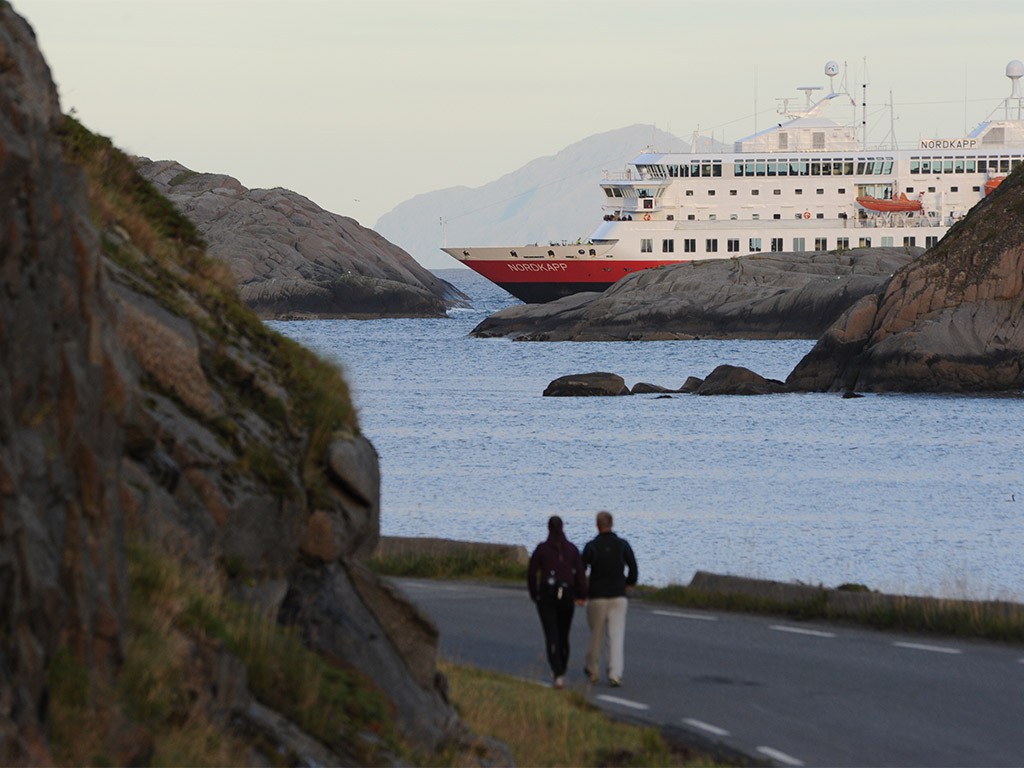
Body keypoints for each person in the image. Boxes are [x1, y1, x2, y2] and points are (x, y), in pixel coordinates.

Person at [527, 515, 587, 689]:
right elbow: (580, 574)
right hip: (567, 595)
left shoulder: (542, 549)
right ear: (563, 528)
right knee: (563, 632)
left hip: (547, 595)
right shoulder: (572, 550)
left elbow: (532, 573)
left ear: (548, 528)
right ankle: (562, 666)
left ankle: (558, 671)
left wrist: (534, 593)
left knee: (551, 632)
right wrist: (582, 593)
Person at [582, 510, 637, 687]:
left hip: (597, 596)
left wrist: (581, 591)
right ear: (612, 524)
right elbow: (633, 567)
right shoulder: (622, 545)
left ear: (597, 525)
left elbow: (581, 569)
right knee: (616, 636)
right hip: (618, 595)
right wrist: (629, 583)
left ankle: (593, 669)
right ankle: (615, 674)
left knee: (596, 634)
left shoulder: (591, 546)